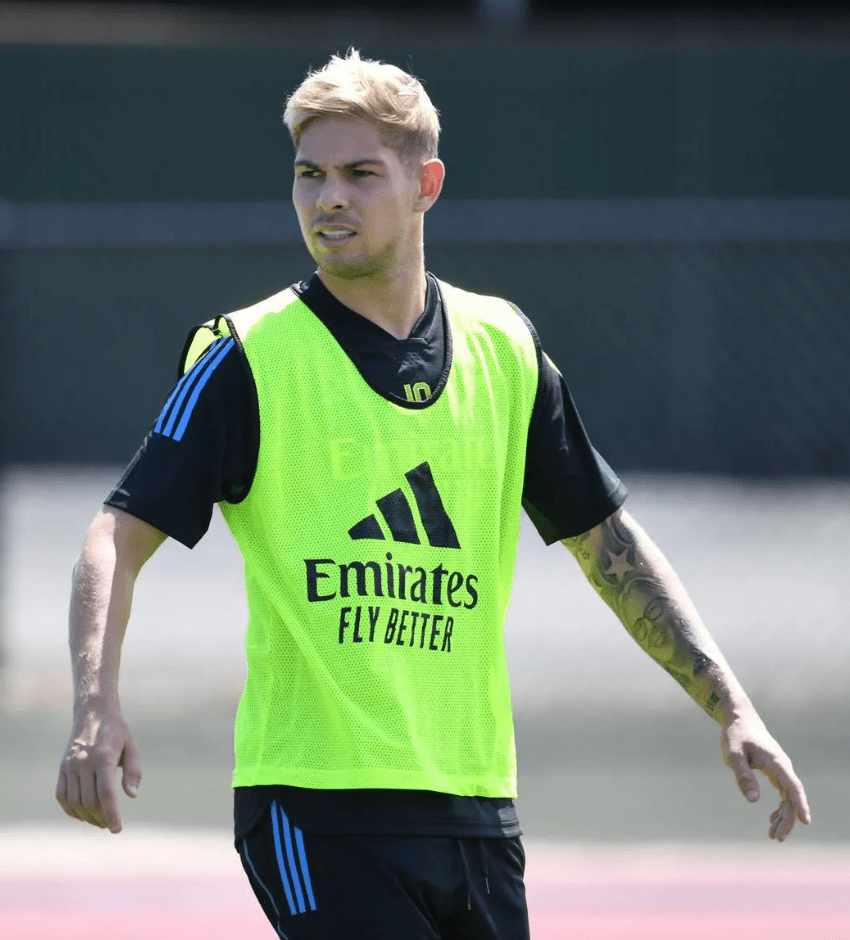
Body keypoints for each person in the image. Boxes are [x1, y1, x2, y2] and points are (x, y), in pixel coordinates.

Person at [56, 49, 810, 940]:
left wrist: (733, 706)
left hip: (475, 806)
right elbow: (117, 533)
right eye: (310, 175)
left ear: (427, 183)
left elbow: (609, 545)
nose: (328, 198)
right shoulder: (246, 355)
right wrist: (94, 707)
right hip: (314, 802)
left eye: (359, 174)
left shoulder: (506, 349)